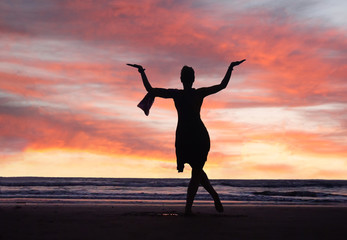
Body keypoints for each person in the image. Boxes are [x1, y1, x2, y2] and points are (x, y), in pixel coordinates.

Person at [128, 60, 246, 215]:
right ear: (193, 79)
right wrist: (230, 68)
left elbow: (151, 89)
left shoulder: (178, 94)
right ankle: (214, 196)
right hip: (191, 135)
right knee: (197, 170)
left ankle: (188, 209)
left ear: (182, 79)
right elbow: (222, 85)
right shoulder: (196, 93)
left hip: (192, 135)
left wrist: (142, 72)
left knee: (196, 171)